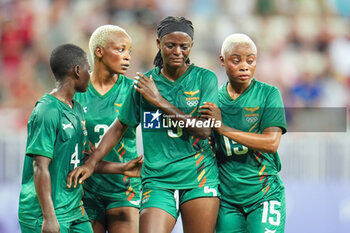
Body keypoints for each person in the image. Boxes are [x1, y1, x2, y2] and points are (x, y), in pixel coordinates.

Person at [67, 16, 220, 233]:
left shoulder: (205, 79)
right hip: (157, 179)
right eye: (170, 45)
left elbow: (204, 130)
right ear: (158, 44)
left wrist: (159, 101)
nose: (178, 51)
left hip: (198, 175)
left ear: (191, 47)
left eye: (184, 46)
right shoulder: (142, 84)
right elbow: (119, 126)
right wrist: (92, 162)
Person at [18, 43, 143, 233]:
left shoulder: (76, 109)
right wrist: (49, 217)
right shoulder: (47, 111)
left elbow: (80, 161)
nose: (89, 74)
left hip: (74, 211)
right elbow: (40, 167)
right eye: (87, 68)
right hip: (44, 214)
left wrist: (122, 168)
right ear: (77, 71)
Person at [199, 33, 287, 233]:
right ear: (222, 60)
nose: (244, 66)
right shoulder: (213, 101)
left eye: (251, 60)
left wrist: (223, 129)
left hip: (263, 194)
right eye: (236, 60)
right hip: (227, 200)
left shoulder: (268, 94)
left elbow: (271, 143)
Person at [73, 25, 141, 233]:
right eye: (120, 50)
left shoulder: (134, 90)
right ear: (99, 51)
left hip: (124, 187)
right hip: (86, 189)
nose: (127, 57)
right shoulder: (75, 91)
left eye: (129, 51)